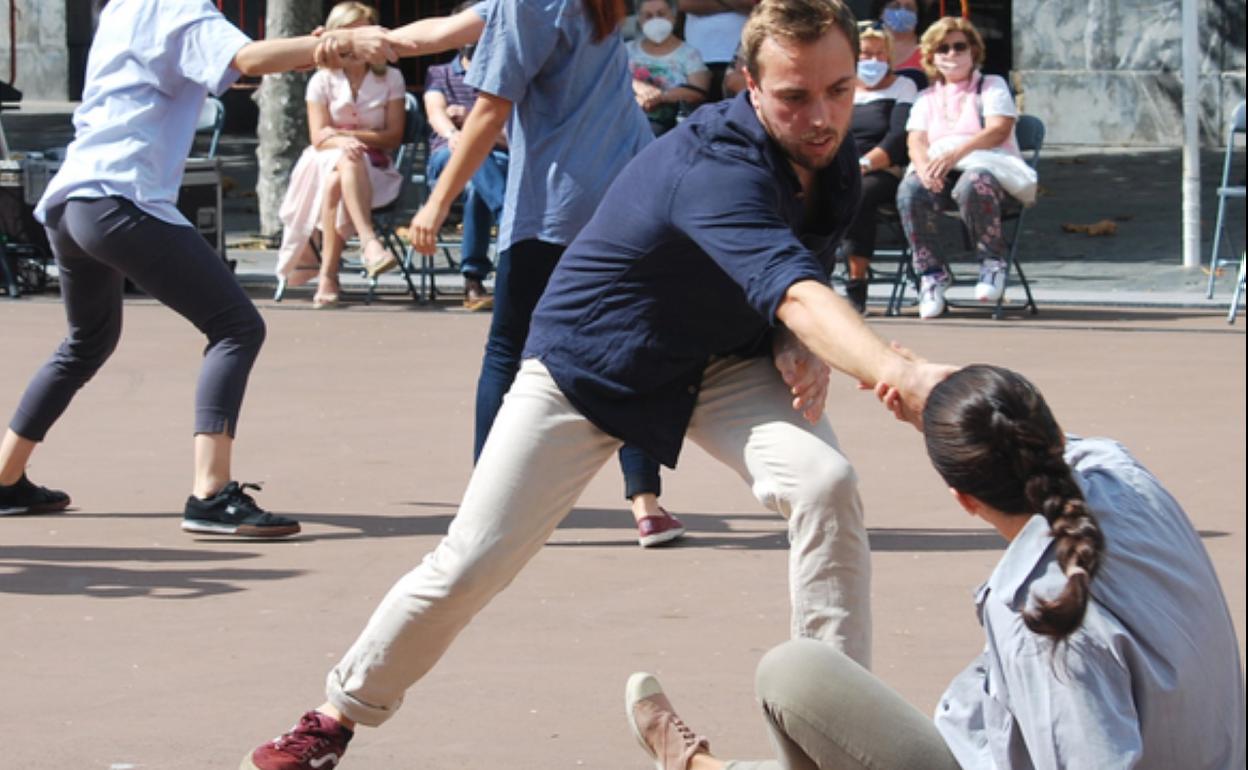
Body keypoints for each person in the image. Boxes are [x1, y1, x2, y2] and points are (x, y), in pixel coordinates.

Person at [239, 1, 951, 767]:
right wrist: (899, 371)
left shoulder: (830, 157)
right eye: (795, 96)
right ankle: (334, 716)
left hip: (714, 361)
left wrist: (791, 340)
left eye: (840, 90)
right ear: (748, 84)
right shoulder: (717, 162)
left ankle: (827, 733)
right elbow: (793, 287)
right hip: (589, 362)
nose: (823, 116)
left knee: (826, 482)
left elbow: (791, 276)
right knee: (473, 559)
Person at [624, 364, 1246, 770]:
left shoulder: (1045, 623)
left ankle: (697, 769)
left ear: (964, 501)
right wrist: (939, 394)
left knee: (793, 674)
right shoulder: (1125, 478)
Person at [0, 0, 394, 533]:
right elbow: (249, 59)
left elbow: (233, 64)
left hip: (72, 204)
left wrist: (315, 50)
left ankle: (5, 477)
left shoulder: (122, 7)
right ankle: (209, 494)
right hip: (123, 200)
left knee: (86, 342)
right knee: (236, 326)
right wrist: (339, 46)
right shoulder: (180, 5)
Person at [400, 0, 685, 545]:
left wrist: (437, 203)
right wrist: (356, 40)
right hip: (629, 192)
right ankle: (646, 503)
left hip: (558, 201)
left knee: (508, 349)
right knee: (633, 347)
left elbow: (489, 109)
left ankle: (488, 508)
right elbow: (434, 34)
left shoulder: (525, 3)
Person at [273, 1, 407, 309]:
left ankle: (329, 276)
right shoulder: (321, 80)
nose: (357, 40)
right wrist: (340, 142)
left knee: (341, 171)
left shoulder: (391, 79)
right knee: (342, 163)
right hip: (322, 161)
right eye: (349, 32)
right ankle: (369, 243)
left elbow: (392, 136)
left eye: (363, 31)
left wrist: (346, 137)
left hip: (374, 170)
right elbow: (318, 137)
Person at [896, 16, 1028, 319]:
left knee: (973, 181)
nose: (952, 55)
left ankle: (992, 261)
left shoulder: (991, 86)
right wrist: (925, 168)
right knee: (910, 188)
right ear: (931, 56)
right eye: (943, 48)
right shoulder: (926, 98)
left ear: (973, 50)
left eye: (959, 47)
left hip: (992, 178)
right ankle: (931, 274)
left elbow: (999, 128)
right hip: (943, 179)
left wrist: (956, 154)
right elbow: (915, 140)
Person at [423, 37, 509, 312]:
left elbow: (514, 138)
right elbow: (435, 113)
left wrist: (475, 125)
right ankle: (506, 216)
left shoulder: (506, 76)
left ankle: (473, 279)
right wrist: (455, 134)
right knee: (471, 153)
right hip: (447, 156)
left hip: (496, 160)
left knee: (476, 183)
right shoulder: (440, 74)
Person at [841, 23, 916, 313]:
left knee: (859, 193)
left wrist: (865, 164)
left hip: (882, 170)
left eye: (879, 55)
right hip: (839, 167)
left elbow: (897, 138)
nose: (873, 61)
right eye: (865, 54)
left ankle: (856, 283)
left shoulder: (903, 87)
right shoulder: (842, 87)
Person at [628, 0, 711, 135]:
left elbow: (698, 93)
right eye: (648, 16)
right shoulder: (626, 51)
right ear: (639, 19)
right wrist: (637, 86)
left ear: (674, 16)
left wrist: (660, 97)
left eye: (661, 14)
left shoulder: (690, 54)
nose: (655, 20)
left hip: (669, 129)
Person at [677, 0, 752, 102]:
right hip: (696, 60)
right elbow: (684, 3)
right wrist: (738, 6)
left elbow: (755, 4)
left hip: (742, 60)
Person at [872, 0, 924, 80]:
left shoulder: (926, 51)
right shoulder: (866, 46)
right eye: (895, 6)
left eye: (909, 8)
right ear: (881, 12)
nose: (902, 12)